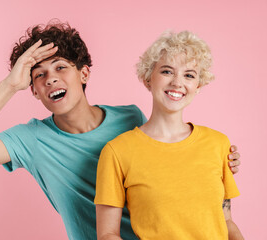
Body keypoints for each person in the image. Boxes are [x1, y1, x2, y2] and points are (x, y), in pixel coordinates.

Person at [0, 22, 241, 240]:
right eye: (39, 75)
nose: (50, 79)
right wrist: (8, 86)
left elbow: (167, 161)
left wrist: (217, 162)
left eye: (61, 67)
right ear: (33, 89)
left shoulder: (129, 118)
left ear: (83, 73)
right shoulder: (30, 140)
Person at [94, 31, 244, 240]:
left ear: (198, 85)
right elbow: (108, 234)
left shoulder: (218, 144)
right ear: (148, 79)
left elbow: (226, 221)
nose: (177, 82)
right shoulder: (117, 152)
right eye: (167, 71)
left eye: (189, 75)